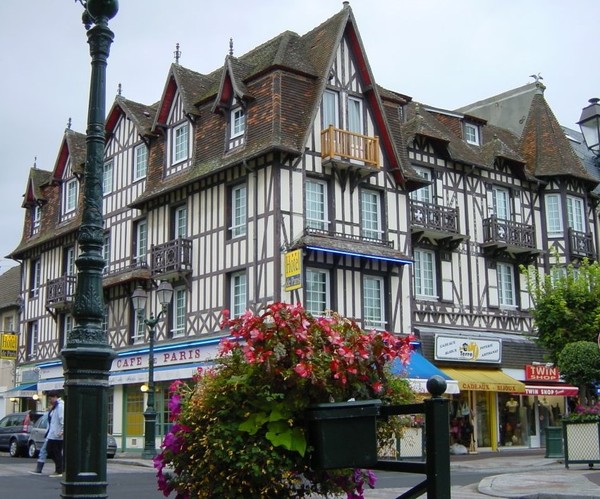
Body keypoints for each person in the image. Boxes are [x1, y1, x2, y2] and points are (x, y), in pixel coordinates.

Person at [45, 391, 64, 478]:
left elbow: (62, 419)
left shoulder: (60, 406)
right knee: (50, 451)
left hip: (57, 435)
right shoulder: (55, 406)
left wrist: (62, 431)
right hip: (53, 434)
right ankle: (59, 468)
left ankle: (59, 470)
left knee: (55, 452)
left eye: (51, 398)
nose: (50, 400)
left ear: (55, 397)